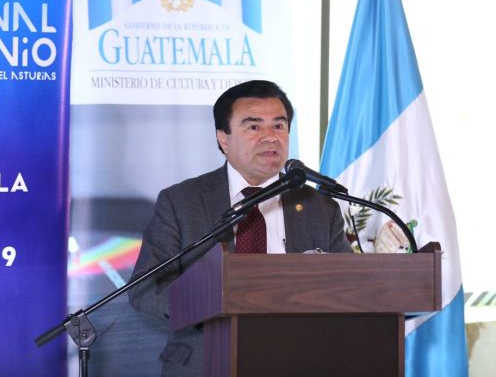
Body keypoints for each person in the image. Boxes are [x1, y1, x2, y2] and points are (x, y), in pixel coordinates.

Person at [128, 80, 352, 376]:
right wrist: (213, 301)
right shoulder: (181, 201)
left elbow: (350, 286)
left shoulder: (319, 207)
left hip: (298, 359)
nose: (270, 137)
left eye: (279, 126)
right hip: (206, 361)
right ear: (223, 138)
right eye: (254, 126)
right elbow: (145, 288)